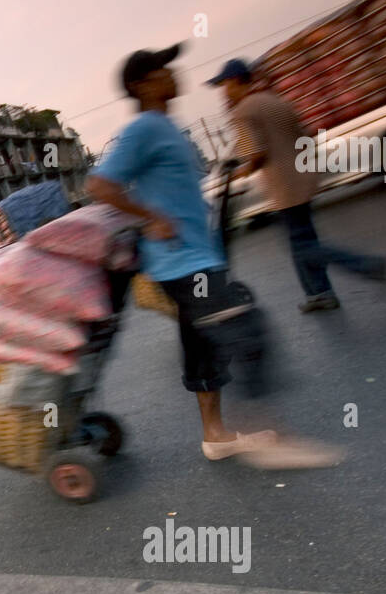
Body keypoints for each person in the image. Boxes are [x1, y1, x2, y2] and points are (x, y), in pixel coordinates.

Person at [87, 44, 337, 469]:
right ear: (141, 85)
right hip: (180, 262)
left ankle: (216, 436)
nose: (173, 73)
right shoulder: (143, 129)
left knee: (203, 345)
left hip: (196, 256)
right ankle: (267, 433)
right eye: (162, 69)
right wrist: (152, 218)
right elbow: (101, 186)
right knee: (245, 328)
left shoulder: (168, 127)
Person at [208, 58, 386, 312]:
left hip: (285, 188)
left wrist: (238, 174)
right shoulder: (274, 101)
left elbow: (256, 155)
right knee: (302, 242)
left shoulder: (243, 111)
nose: (223, 92)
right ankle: (319, 294)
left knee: (304, 247)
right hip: (303, 179)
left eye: (224, 85)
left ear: (235, 81)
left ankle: (368, 266)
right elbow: (303, 137)